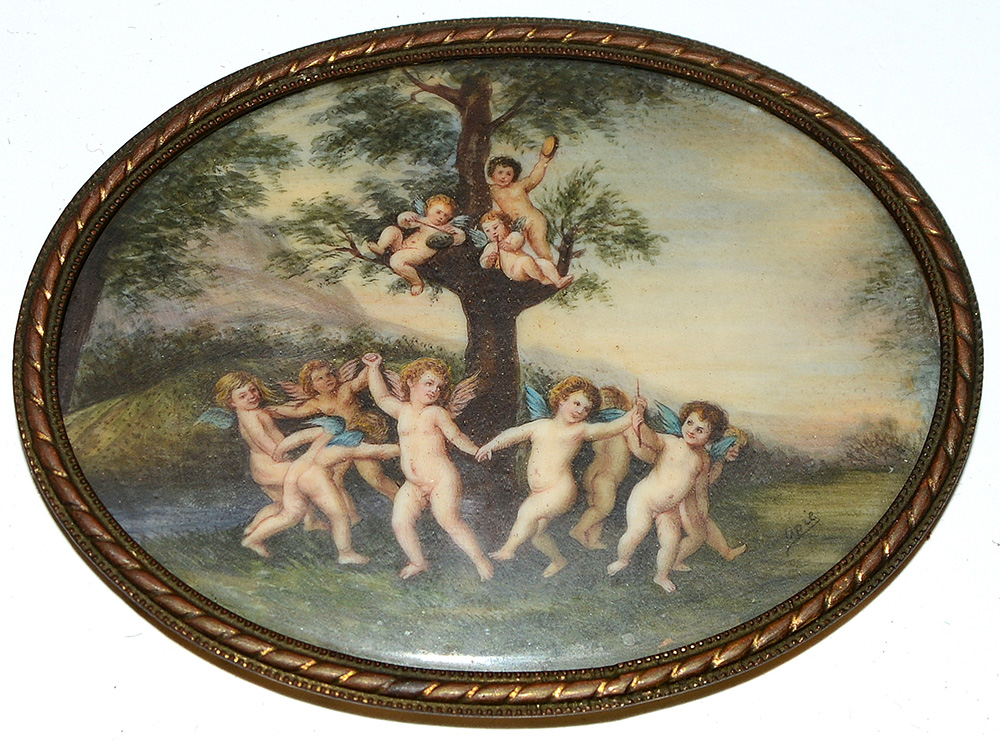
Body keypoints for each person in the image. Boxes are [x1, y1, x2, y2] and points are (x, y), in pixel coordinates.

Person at [476, 377, 645, 577]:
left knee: (528, 511)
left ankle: (508, 549)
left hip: (560, 490)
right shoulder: (540, 426)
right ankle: (558, 560)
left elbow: (611, 428)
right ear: (562, 399)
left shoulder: (580, 430)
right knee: (536, 534)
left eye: (586, 409)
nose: (580, 411)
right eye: (577, 403)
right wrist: (491, 445)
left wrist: (637, 410)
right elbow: (514, 434)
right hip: (540, 492)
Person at [362, 352, 493, 581]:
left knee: (449, 521)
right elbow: (381, 397)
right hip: (414, 483)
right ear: (411, 382)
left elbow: (456, 436)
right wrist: (373, 368)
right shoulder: (402, 410)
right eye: (429, 383)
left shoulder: (436, 413)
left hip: (442, 479)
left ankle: (481, 562)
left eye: (439, 387)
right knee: (400, 522)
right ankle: (418, 562)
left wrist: (475, 450)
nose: (434, 390)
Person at [607, 401, 729, 593]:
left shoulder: (703, 459)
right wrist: (639, 419)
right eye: (689, 423)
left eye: (700, 430)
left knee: (671, 542)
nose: (692, 431)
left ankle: (661, 575)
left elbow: (700, 488)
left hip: (669, 508)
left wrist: (703, 508)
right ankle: (622, 559)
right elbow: (650, 437)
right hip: (645, 499)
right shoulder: (671, 442)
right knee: (636, 532)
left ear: (711, 437)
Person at [240, 414, 399, 562]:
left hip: (295, 471)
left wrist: (281, 450)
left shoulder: (329, 432)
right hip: (315, 477)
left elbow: (297, 438)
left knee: (290, 514)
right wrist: (404, 447)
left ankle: (252, 539)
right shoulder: (354, 443)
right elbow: (381, 451)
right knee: (339, 516)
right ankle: (345, 553)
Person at [268, 359, 399, 522]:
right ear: (311, 385)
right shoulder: (316, 402)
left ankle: (399, 500)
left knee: (374, 477)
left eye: (329, 374)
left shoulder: (345, 389)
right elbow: (294, 411)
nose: (327, 379)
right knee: (334, 479)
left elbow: (361, 380)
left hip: (361, 436)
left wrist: (371, 365)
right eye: (320, 378)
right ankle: (352, 517)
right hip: (340, 443)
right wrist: (270, 410)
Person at [212, 371, 327, 536]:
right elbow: (261, 439)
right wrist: (282, 454)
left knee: (281, 503)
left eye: (253, 390)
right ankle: (257, 537)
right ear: (232, 402)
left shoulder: (253, 412)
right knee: (306, 484)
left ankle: (252, 529)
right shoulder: (250, 417)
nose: (251, 396)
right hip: (272, 465)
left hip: (266, 466)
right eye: (243, 396)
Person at [568, 386, 638, 550]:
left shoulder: (599, 428)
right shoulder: (623, 428)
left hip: (592, 474)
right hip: (607, 477)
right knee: (603, 508)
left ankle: (592, 540)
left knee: (596, 508)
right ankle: (578, 530)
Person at [673, 426, 749, 570]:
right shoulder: (706, 458)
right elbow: (697, 485)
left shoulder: (718, 463)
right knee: (697, 536)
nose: (736, 450)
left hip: (692, 499)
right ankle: (673, 561)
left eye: (739, 447)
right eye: (731, 445)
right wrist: (701, 503)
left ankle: (726, 552)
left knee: (706, 524)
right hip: (684, 498)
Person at [369, 194, 466, 295]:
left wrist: (457, 233)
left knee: (396, 261)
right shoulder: (423, 220)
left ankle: (416, 282)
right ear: (428, 209)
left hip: (418, 254)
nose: (441, 217)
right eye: (438, 212)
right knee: (392, 230)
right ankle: (381, 248)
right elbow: (404, 224)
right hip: (402, 246)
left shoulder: (446, 228)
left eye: (446, 215)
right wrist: (405, 217)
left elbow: (459, 239)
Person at [487, 136, 558, 262]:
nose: (504, 177)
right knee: (513, 249)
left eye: (509, 173)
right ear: (492, 174)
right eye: (500, 172)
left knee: (539, 246)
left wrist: (543, 161)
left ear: (514, 175)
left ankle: (551, 267)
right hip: (516, 225)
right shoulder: (492, 190)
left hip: (534, 220)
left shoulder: (519, 186)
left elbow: (533, 178)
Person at [478, 210, 573, 288]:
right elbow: (483, 262)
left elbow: (519, 240)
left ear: (505, 224)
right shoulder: (492, 246)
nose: (493, 232)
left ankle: (558, 280)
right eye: (488, 231)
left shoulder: (511, 236)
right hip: (514, 270)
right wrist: (488, 260)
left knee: (543, 263)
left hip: (530, 265)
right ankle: (544, 280)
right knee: (525, 260)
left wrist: (511, 246)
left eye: (495, 227)